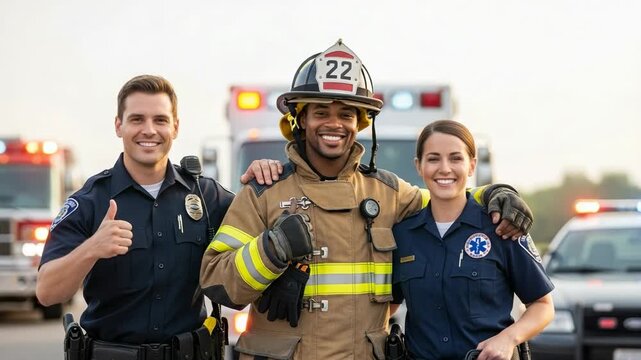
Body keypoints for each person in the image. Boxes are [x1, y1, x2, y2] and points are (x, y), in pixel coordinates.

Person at [199, 40, 534, 360]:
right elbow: (217, 283)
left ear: (360, 123)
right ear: (300, 119)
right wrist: (269, 251)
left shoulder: (389, 194)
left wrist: (493, 193)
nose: (334, 124)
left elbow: (446, 199)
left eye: (346, 114)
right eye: (320, 112)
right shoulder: (263, 191)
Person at [36, 74, 276, 360]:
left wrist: (265, 173)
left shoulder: (206, 196)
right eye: (137, 119)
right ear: (118, 126)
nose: (149, 130)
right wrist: (92, 248)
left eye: (160, 120)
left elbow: (264, 220)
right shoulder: (90, 201)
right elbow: (47, 292)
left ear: (175, 127)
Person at [391, 120, 554, 360]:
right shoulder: (403, 235)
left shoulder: (503, 227)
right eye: (433, 158)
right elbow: (386, 308)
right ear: (419, 166)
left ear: (471, 166)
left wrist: (508, 339)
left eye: (456, 158)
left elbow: (542, 306)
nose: (444, 168)